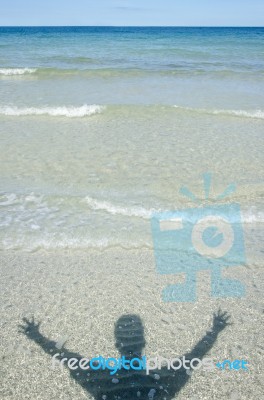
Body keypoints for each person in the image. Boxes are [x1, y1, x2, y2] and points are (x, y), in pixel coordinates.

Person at [19, 309, 230, 399]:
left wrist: (36, 336)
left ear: (116, 344)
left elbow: (66, 358)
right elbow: (194, 357)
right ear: (145, 341)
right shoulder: (165, 382)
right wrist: (215, 330)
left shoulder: (98, 379)